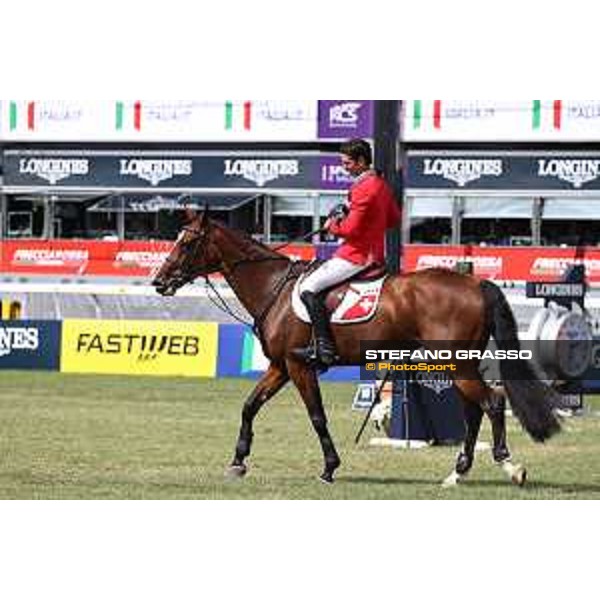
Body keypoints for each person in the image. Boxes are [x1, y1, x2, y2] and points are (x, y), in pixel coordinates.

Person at [293, 138, 401, 368]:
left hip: (356, 256)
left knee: (307, 287)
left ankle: (324, 348)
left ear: (362, 161)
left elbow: (349, 230)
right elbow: (394, 219)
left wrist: (332, 224)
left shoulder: (363, 188)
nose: (344, 167)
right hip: (375, 255)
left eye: (348, 163)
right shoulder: (381, 184)